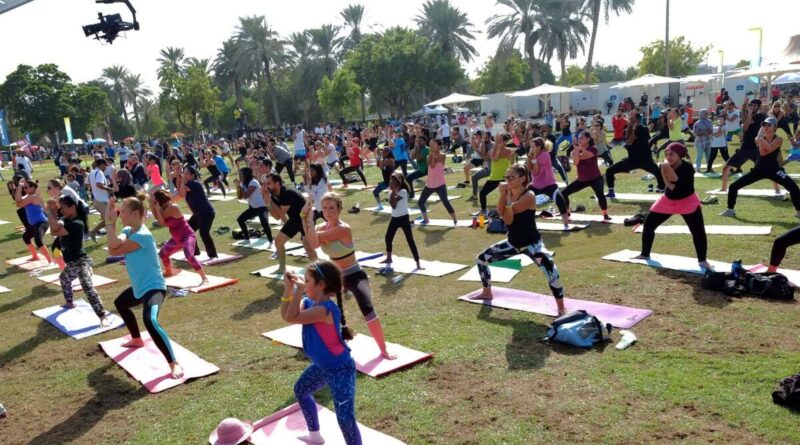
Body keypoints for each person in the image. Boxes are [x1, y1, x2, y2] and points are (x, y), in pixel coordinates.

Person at [303, 192, 396, 360]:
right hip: (335, 277)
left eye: (331, 208)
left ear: (339, 209)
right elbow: (313, 242)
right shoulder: (320, 227)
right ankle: (319, 343)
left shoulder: (343, 229)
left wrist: (308, 220)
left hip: (354, 275)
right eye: (324, 208)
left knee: (367, 308)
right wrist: (307, 218)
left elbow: (315, 240)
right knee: (313, 302)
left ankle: (383, 349)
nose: (327, 211)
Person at [280, 260, 362, 445]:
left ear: (321, 285)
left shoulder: (324, 310)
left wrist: (298, 290)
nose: (304, 283)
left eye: (307, 281)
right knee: (300, 390)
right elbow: (286, 315)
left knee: (345, 418)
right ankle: (315, 435)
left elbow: (292, 317)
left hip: (340, 369)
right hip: (321, 366)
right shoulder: (309, 302)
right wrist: (288, 289)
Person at [470, 164, 566, 315]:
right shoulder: (508, 192)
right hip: (513, 243)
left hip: (532, 244)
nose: (507, 180)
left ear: (522, 179)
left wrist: (506, 200)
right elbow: (502, 213)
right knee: (481, 259)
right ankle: (487, 292)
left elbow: (507, 219)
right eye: (506, 177)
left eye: (511, 177)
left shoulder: (529, 196)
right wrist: (503, 196)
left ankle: (561, 308)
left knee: (550, 269)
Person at [107, 195, 183, 379]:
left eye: (123, 211)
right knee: (120, 303)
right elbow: (114, 245)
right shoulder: (129, 229)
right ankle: (136, 339)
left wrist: (109, 225)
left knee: (150, 321)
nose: (121, 214)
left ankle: (174, 364)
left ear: (134, 213)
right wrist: (111, 224)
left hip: (154, 288)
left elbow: (113, 249)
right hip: (139, 288)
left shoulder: (142, 235)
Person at [634, 143, 711, 270]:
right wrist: (664, 169)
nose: (668, 157)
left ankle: (702, 260)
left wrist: (664, 172)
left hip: (687, 201)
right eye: (667, 154)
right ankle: (644, 254)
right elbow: (666, 187)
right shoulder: (666, 165)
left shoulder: (687, 168)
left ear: (680, 155)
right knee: (648, 225)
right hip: (668, 200)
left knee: (698, 231)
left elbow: (673, 187)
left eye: (672, 154)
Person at [45, 196, 110, 325]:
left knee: (86, 285)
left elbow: (55, 232)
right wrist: (52, 212)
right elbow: (53, 230)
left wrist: (49, 212)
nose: (61, 210)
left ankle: (102, 316)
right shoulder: (65, 220)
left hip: (81, 261)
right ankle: (69, 303)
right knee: (64, 278)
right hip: (72, 263)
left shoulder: (77, 223)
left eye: (63, 208)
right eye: (60, 208)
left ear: (73, 207)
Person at [720, 116, 800, 218]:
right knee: (733, 186)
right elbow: (762, 153)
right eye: (764, 124)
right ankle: (730, 210)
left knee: (793, 187)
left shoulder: (778, 139)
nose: (765, 127)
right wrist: (760, 138)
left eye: (768, 125)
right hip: (759, 169)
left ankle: (799, 211)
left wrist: (760, 138)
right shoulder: (757, 139)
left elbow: (769, 148)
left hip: (774, 169)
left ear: (775, 127)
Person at [149, 190, 209, 284]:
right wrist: (153, 206)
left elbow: (161, 222)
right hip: (177, 239)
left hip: (188, 236)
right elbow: (158, 217)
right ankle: (168, 272)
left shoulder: (173, 207)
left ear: (159, 201)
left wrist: (153, 206)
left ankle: (204, 277)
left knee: (189, 255)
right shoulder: (163, 209)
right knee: (163, 254)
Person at [265, 172, 316, 275]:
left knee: (308, 247)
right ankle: (282, 268)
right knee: (278, 242)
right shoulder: (275, 195)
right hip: (295, 219)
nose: (267, 186)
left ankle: (318, 272)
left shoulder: (287, 193)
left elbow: (280, 214)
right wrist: (268, 203)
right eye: (266, 184)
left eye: (269, 183)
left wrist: (269, 200)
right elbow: (276, 217)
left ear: (277, 183)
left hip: (306, 218)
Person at [605, 111, 665, 197]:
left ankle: (663, 191)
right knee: (609, 171)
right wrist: (631, 127)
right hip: (632, 159)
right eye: (629, 116)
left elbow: (630, 141)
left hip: (645, 160)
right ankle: (611, 192)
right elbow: (628, 141)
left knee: (658, 173)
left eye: (631, 117)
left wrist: (633, 129)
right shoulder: (628, 128)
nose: (629, 118)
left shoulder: (643, 129)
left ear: (637, 119)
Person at [561, 131, 611, 221]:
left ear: (588, 139)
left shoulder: (593, 149)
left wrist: (576, 149)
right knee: (564, 193)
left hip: (595, 178)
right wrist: (576, 149)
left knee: (600, 194)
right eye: (579, 138)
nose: (579, 140)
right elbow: (576, 161)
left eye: (582, 138)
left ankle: (605, 214)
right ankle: (568, 213)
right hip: (582, 179)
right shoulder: (577, 150)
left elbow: (578, 159)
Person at [172, 166, 219, 260]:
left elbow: (182, 191)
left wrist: (180, 178)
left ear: (192, 175)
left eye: (186, 174)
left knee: (204, 233)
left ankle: (213, 255)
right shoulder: (188, 183)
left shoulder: (195, 183)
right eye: (184, 173)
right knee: (188, 231)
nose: (184, 175)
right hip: (198, 214)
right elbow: (180, 190)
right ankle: (195, 251)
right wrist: (178, 177)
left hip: (206, 213)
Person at [380, 172, 421, 269]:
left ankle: (417, 262)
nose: (391, 183)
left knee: (410, 240)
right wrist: (393, 192)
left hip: (404, 218)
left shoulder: (403, 191)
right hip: (394, 218)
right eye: (391, 181)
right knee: (388, 238)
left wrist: (394, 192)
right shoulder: (390, 193)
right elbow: (393, 206)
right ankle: (389, 258)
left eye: (394, 181)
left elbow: (394, 204)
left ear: (399, 182)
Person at [527, 138, 570, 229]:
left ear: (539, 147)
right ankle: (525, 223)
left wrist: (533, 159)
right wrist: (529, 157)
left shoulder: (545, 155)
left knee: (560, 201)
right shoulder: (532, 155)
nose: (530, 148)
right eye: (530, 146)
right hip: (535, 184)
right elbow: (529, 167)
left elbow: (536, 170)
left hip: (549, 184)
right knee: (523, 199)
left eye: (532, 146)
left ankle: (566, 225)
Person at [417, 138, 458, 225]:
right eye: (431, 144)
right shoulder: (429, 155)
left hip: (440, 184)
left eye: (434, 144)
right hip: (429, 184)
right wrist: (431, 154)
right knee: (420, 202)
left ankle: (454, 219)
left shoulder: (443, 155)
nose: (431, 146)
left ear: (439, 146)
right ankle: (426, 219)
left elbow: (433, 164)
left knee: (445, 202)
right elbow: (430, 164)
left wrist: (432, 154)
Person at [15, 180, 54, 263]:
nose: (25, 189)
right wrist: (19, 187)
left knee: (38, 240)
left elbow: (19, 204)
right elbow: (17, 201)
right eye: (24, 187)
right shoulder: (27, 196)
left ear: (33, 187)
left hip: (42, 222)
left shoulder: (33, 197)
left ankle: (50, 260)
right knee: (26, 237)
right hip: (34, 224)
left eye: (27, 187)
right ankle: (35, 256)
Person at [235, 167, 274, 246]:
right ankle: (246, 238)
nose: (240, 175)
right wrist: (238, 187)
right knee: (240, 219)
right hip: (253, 208)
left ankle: (271, 240)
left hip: (262, 206)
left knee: (264, 222)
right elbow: (240, 197)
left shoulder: (253, 182)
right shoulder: (244, 183)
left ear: (246, 174)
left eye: (241, 174)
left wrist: (240, 186)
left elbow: (246, 196)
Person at [478, 134, 515, 216]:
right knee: (482, 193)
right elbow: (494, 158)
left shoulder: (509, 151)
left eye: (501, 140)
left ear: (505, 142)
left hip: (505, 177)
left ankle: (511, 211)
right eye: (497, 140)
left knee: (508, 196)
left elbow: (496, 157)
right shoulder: (493, 151)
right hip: (494, 177)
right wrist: (497, 147)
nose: (498, 142)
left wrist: (497, 148)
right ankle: (484, 211)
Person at [88, 158, 112, 242]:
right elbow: (99, 184)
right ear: (101, 164)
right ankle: (93, 232)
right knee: (110, 219)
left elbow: (88, 185)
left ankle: (111, 236)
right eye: (105, 165)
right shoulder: (100, 173)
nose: (106, 167)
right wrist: (109, 189)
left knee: (109, 219)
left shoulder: (92, 172)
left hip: (97, 199)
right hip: (101, 200)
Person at [405, 135, 429, 199]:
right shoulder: (419, 148)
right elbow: (412, 158)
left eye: (420, 141)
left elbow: (418, 158)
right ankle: (411, 193)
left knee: (408, 178)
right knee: (408, 178)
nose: (418, 142)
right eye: (418, 141)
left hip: (425, 169)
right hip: (421, 169)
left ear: (424, 141)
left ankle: (411, 194)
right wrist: (415, 147)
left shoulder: (426, 149)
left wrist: (416, 149)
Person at [371, 147, 395, 211]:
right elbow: (377, 165)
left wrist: (380, 157)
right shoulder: (385, 159)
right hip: (387, 181)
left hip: (392, 181)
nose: (382, 152)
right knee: (375, 192)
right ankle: (380, 206)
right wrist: (378, 157)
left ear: (388, 153)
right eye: (382, 151)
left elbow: (381, 167)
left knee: (395, 196)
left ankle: (398, 207)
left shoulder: (390, 160)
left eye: (384, 152)